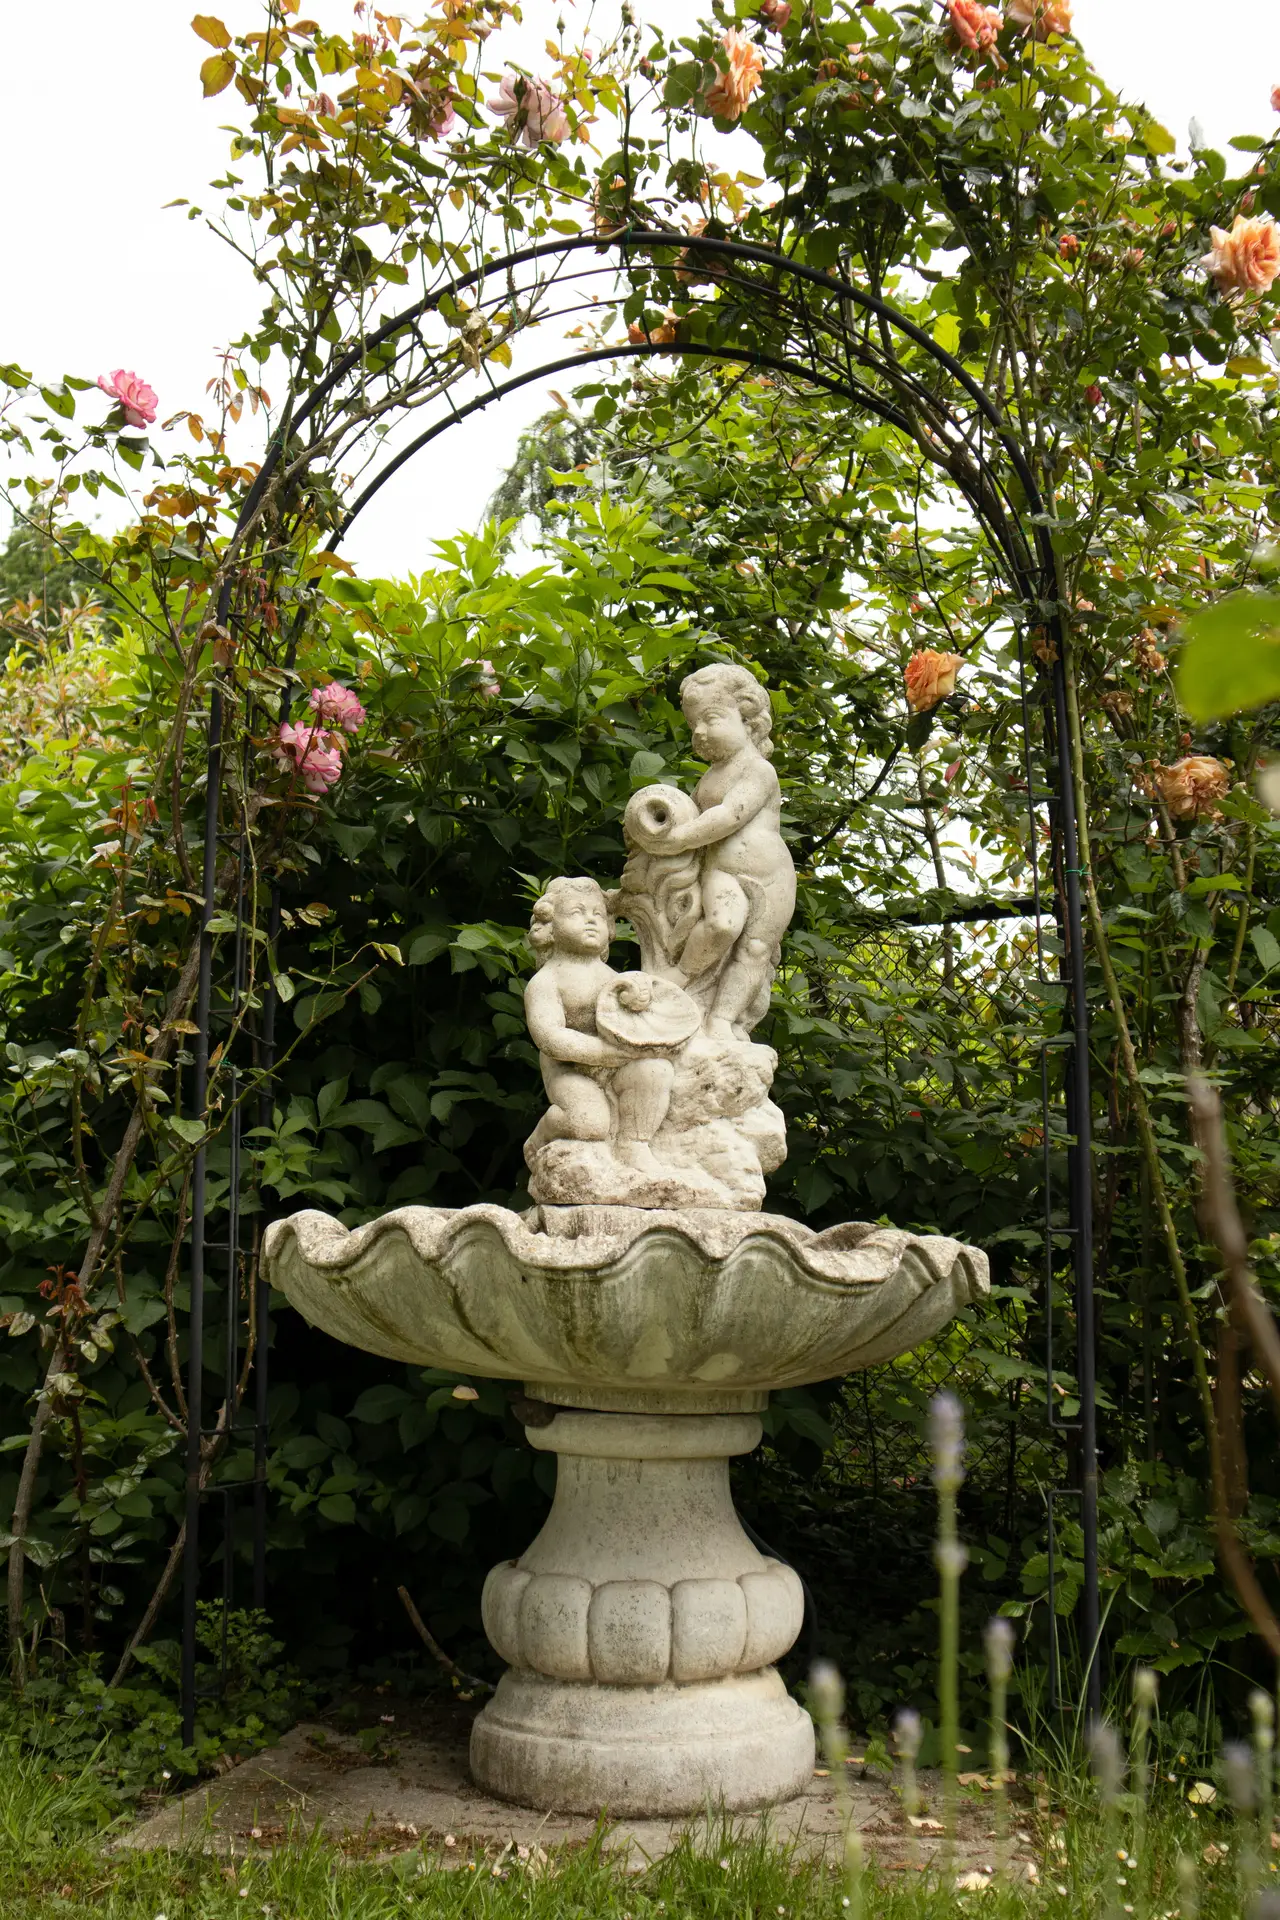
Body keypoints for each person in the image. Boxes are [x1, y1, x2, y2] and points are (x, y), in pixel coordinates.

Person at [627, 664, 795, 1041]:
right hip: (722, 871)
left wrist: (680, 838)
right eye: (692, 725)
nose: (699, 732)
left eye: (711, 718)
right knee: (722, 924)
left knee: (754, 949)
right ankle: (684, 974)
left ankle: (722, 1018)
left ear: (749, 719)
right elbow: (694, 814)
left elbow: (730, 814)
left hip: (771, 878)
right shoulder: (709, 778)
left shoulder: (759, 770)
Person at [522, 876, 674, 1174]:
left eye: (598, 915)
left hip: (616, 1063)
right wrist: (603, 1053)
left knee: (656, 1070)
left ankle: (634, 1143)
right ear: (551, 926)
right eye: (577, 914)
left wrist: (642, 993)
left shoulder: (612, 977)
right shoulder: (547, 981)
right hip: (570, 1071)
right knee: (588, 1122)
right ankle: (541, 1136)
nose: (591, 922)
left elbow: (636, 1017)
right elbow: (550, 1038)